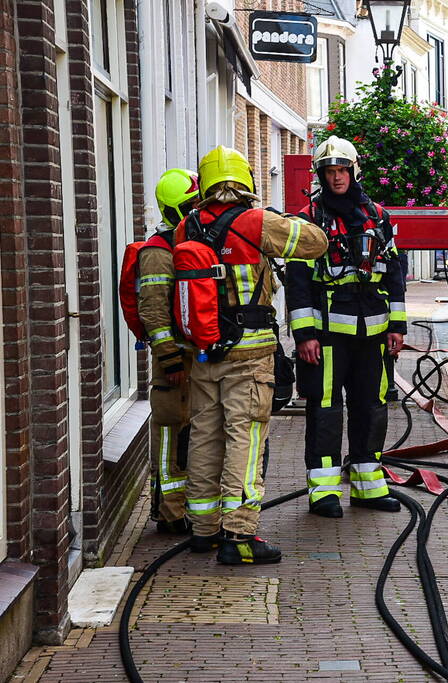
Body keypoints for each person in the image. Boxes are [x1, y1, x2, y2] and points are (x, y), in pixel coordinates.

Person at [178, 146, 327, 564]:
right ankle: (239, 534)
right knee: (245, 436)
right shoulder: (255, 222)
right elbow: (317, 243)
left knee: (205, 435)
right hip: (250, 352)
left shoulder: (187, 227)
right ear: (245, 181)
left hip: (203, 352)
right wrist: (290, 219)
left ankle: (203, 529)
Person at [286, 136, 407, 518]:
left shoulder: (378, 217)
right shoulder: (308, 222)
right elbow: (299, 281)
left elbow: (396, 275)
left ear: (353, 171)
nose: (337, 177)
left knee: (371, 408)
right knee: (325, 410)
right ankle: (324, 492)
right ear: (320, 175)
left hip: (373, 336)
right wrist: (305, 335)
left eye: (342, 170)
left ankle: (368, 487)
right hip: (327, 338)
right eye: (330, 171)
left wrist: (397, 326)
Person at [138, 168, 200, 535]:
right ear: (173, 209)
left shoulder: (187, 245)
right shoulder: (157, 253)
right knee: (168, 438)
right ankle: (167, 511)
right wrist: (170, 359)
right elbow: (153, 311)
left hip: (194, 359)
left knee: (189, 436)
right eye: (189, 206)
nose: (195, 212)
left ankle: (182, 506)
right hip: (172, 364)